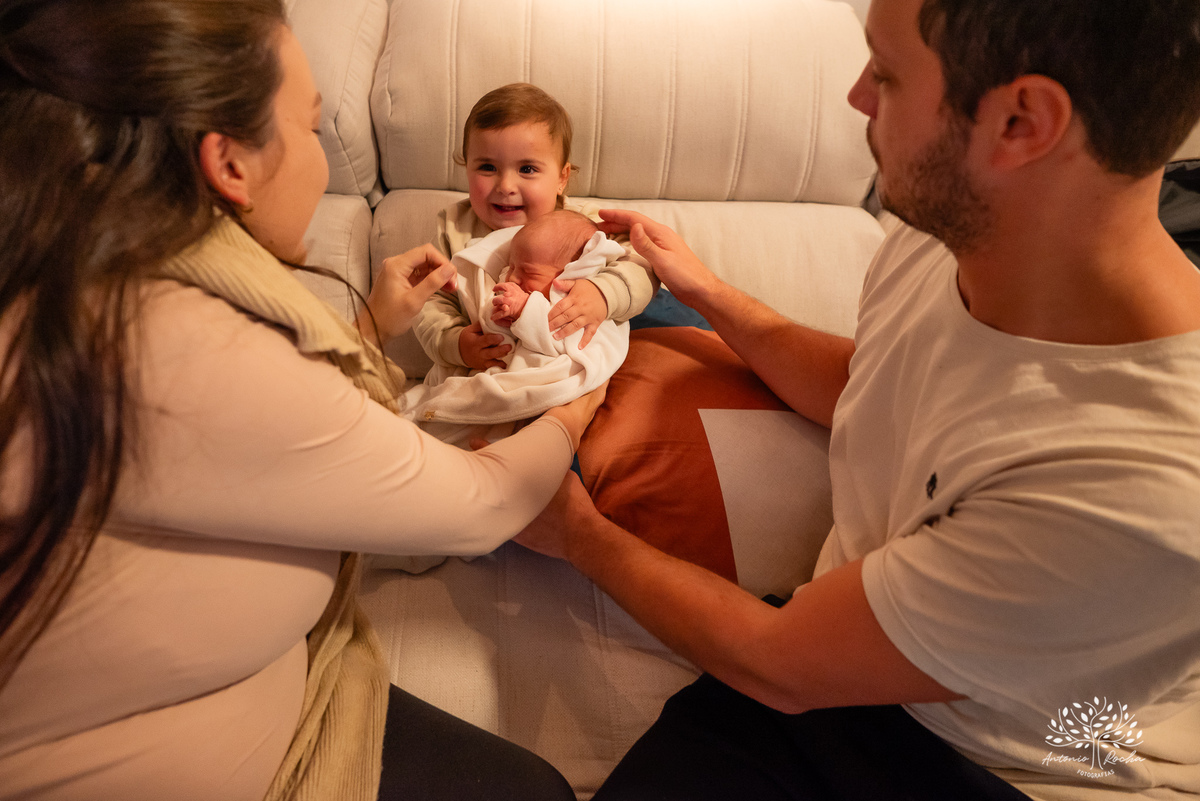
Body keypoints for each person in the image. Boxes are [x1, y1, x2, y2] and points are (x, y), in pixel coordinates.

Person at [517, 0, 1200, 799]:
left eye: (884, 73)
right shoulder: (955, 231)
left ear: (1021, 122)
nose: (855, 97)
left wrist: (573, 531)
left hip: (1012, 765)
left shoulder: (1140, 490)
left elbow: (780, 662)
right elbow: (872, 385)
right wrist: (706, 293)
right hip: (848, 664)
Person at [0, 2, 599, 799]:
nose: (325, 164)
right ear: (230, 164)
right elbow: (483, 503)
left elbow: (284, 420)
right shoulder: (175, 343)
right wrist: (580, 395)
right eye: (313, 128)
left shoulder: (85, 263)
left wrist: (367, 327)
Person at [414, 82, 655, 372]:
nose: (505, 186)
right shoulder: (455, 228)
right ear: (467, 168)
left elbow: (643, 268)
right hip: (493, 367)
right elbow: (430, 299)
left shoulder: (587, 223)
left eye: (527, 169)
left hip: (573, 361)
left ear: (561, 178)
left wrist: (603, 293)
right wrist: (454, 344)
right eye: (487, 167)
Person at [402, 210, 628, 446]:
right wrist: (489, 321)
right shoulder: (453, 229)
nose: (512, 278)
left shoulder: (578, 295)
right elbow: (492, 329)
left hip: (543, 403)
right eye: (510, 267)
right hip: (490, 375)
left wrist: (526, 309)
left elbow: (565, 334)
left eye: (528, 272)